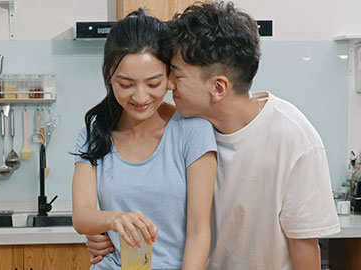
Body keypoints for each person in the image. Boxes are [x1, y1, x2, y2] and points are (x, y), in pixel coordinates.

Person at [86, 2, 340, 270]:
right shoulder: (184, 127)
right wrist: (104, 231)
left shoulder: (293, 138)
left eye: (177, 75)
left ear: (218, 87)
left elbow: (305, 250)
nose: (168, 85)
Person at [72, 8, 217, 270]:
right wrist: (113, 219)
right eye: (126, 84)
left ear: (170, 78)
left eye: (153, 84)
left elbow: (199, 232)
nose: (140, 97)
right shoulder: (95, 133)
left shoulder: (193, 131)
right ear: (109, 78)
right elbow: (81, 216)